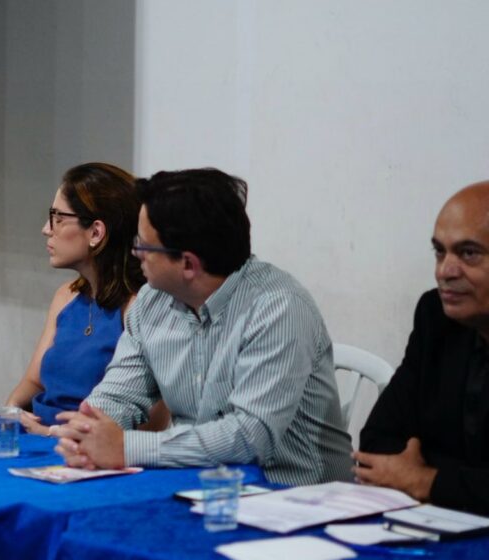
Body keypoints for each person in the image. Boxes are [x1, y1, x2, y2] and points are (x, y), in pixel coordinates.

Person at [54, 168, 352, 485]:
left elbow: (249, 437)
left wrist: (126, 447)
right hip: (194, 484)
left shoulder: (279, 309)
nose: (134, 253)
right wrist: (87, 430)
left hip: (288, 495)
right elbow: (121, 394)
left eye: (143, 245)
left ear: (188, 264)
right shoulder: (151, 302)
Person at [354, 181, 489, 515]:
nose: (445, 271)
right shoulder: (436, 318)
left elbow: (409, 474)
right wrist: (464, 483)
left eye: (468, 253)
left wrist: (426, 480)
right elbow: (376, 442)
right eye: (440, 251)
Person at [5, 162, 168, 435]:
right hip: (37, 437)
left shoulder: (140, 307)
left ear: (96, 233)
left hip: (88, 451)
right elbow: (34, 381)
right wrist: (10, 412)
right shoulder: (65, 296)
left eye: (57, 217)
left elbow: (153, 421)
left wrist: (48, 434)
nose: (46, 228)